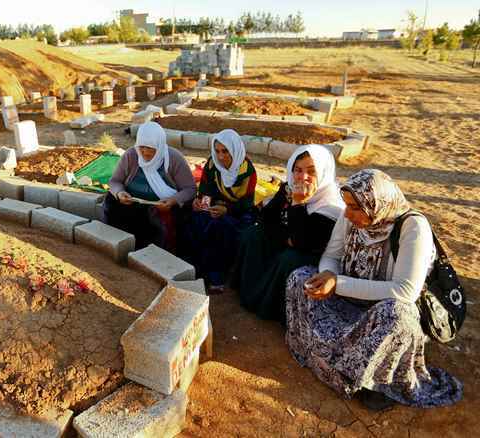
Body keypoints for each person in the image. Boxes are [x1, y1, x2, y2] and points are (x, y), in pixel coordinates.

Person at [285, 169, 463, 410]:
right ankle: (323, 356)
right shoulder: (349, 217)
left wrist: (338, 284)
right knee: (300, 279)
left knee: (398, 315)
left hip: (381, 314)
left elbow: (405, 292)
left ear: (377, 204)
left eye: (355, 208)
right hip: (347, 299)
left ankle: (375, 383)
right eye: (346, 205)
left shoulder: (413, 227)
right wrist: (328, 274)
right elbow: (332, 256)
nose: (347, 214)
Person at [234, 144, 344, 322]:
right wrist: (286, 237)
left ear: (323, 172)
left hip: (313, 257)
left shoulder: (331, 207)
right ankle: (249, 291)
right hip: (287, 240)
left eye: (311, 171)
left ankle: (271, 309)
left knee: (289, 258)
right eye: (298, 170)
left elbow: (303, 241)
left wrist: (298, 203)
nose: (303, 177)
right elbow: (267, 217)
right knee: (253, 235)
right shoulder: (288, 188)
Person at [183, 129, 257, 294]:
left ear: (234, 150)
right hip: (214, 207)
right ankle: (197, 268)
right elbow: (205, 191)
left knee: (219, 227)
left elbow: (246, 204)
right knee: (196, 218)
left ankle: (217, 277)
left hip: (238, 213)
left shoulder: (247, 171)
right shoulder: (212, 164)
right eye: (217, 151)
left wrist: (226, 209)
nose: (221, 156)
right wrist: (200, 202)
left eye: (225, 151)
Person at [106, 121, 196, 252]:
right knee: (111, 201)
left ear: (159, 145)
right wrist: (120, 193)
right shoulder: (131, 156)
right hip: (132, 206)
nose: (145, 152)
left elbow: (190, 189)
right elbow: (114, 182)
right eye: (142, 146)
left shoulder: (174, 159)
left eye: (150, 148)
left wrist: (173, 200)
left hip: (162, 209)